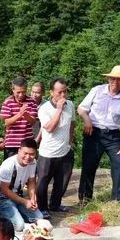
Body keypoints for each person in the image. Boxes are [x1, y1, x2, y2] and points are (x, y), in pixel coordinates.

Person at [77, 65, 120, 204]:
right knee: (89, 165)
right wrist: (87, 120)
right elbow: (81, 108)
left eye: (119, 80)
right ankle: (85, 198)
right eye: (112, 78)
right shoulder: (97, 90)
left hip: (113, 135)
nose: (115, 82)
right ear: (108, 78)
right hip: (93, 132)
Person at [36, 78, 75, 216]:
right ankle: (42, 208)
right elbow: (50, 128)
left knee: (62, 181)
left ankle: (55, 204)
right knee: (42, 182)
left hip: (65, 150)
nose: (63, 95)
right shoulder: (44, 109)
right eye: (59, 92)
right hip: (48, 153)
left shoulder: (70, 104)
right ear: (51, 92)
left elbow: (72, 123)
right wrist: (58, 110)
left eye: (65, 92)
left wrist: (70, 141)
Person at [0, 138, 43, 232]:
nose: (28, 157)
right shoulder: (8, 164)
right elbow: (4, 190)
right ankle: (1, 214)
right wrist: (25, 202)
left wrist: (33, 198)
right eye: (25, 153)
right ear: (19, 150)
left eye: (32, 154)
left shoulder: (33, 163)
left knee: (39, 218)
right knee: (19, 226)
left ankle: (16, 212)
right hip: (2, 197)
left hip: (18, 195)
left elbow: (32, 181)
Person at [0, 77, 38, 158]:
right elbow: (7, 122)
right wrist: (20, 114)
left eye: (23, 92)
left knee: (28, 168)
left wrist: (26, 115)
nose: (20, 95)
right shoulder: (7, 102)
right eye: (18, 92)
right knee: (11, 169)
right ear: (13, 90)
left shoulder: (32, 102)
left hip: (27, 142)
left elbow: (33, 122)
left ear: (27, 89)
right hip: (11, 144)